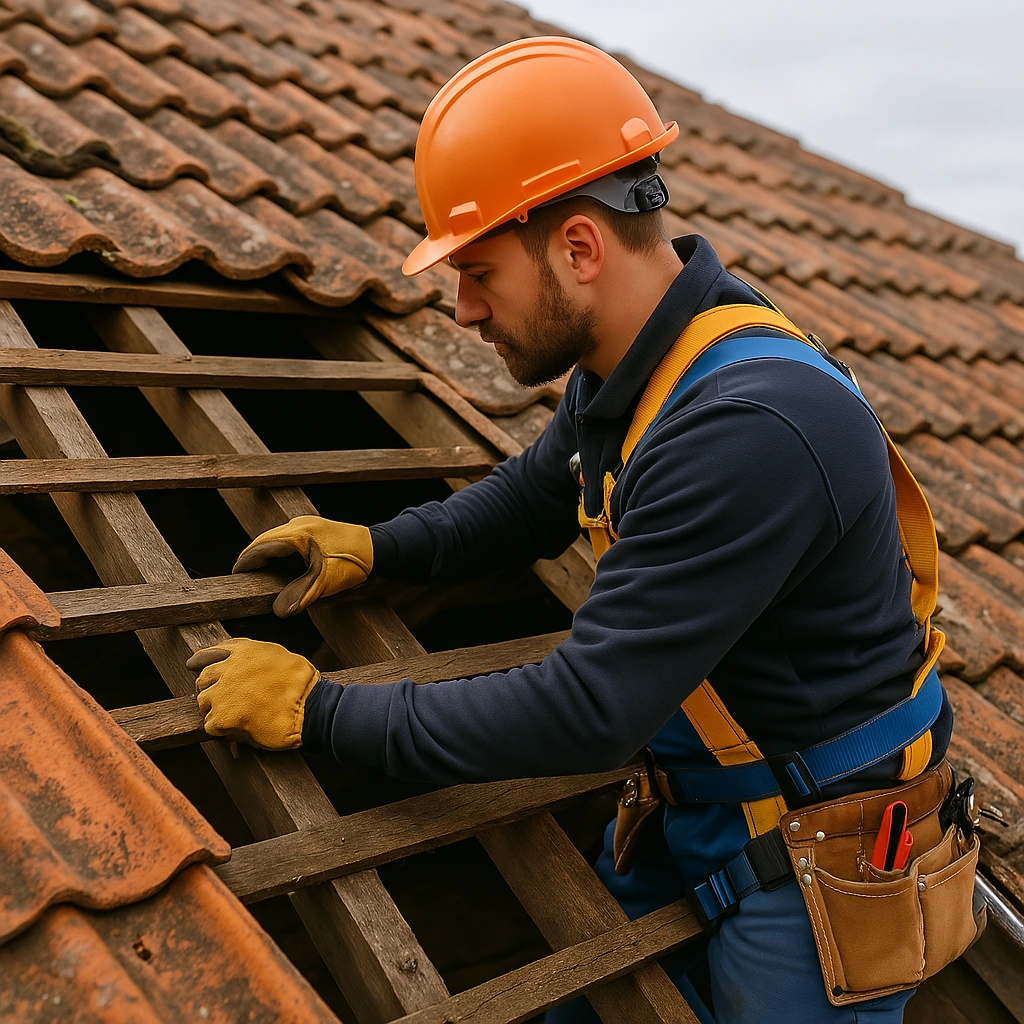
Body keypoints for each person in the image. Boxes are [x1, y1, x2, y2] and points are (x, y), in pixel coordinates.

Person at [188, 38, 972, 1024]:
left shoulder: (749, 427)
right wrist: (384, 546)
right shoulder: (640, 362)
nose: (463, 309)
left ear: (577, 247)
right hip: (699, 807)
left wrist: (321, 711)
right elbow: (533, 499)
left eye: (477, 272)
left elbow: (587, 708)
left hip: (819, 851)